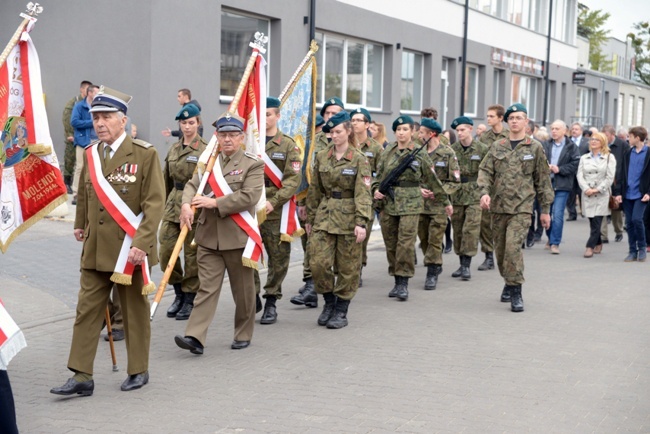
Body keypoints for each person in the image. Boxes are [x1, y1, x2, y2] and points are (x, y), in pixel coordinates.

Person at [51, 86, 165, 396]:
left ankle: (138, 369)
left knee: (134, 314)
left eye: (106, 117)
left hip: (130, 250)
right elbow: (87, 195)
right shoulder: (91, 153)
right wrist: (79, 225)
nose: (100, 123)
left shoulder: (144, 153)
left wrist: (142, 243)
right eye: (96, 117)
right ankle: (81, 375)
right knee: (87, 310)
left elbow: (155, 203)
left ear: (123, 120)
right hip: (97, 248)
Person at [175, 112, 264, 354]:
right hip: (208, 237)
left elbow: (250, 196)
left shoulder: (252, 163)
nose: (227, 140)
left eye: (232, 135)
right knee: (206, 289)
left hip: (237, 237)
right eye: (222, 135)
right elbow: (193, 185)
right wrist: (185, 204)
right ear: (216, 136)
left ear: (241, 137)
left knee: (244, 292)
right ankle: (195, 336)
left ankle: (243, 332)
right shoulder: (209, 161)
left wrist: (215, 203)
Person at [477, 103, 554, 313]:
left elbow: (543, 181)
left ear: (526, 121)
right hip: (499, 207)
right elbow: (485, 171)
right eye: (511, 118)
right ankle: (508, 281)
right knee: (501, 252)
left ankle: (516, 291)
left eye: (519, 117)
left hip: (522, 207)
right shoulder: (497, 146)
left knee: (512, 248)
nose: (514, 121)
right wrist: (484, 192)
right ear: (507, 121)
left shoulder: (535, 147)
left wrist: (545, 210)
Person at [305, 111, 372, 328]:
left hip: (349, 217)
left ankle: (341, 310)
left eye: (338, 132)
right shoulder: (322, 156)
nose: (334, 136)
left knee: (348, 267)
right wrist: (310, 217)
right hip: (324, 214)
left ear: (348, 131)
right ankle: (328, 301)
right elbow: (315, 189)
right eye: (331, 132)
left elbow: (363, 193)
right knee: (318, 264)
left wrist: (361, 222)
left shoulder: (360, 159)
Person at [372, 115, 448, 301]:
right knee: (390, 243)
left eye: (405, 129)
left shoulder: (419, 153)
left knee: (405, 243)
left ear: (412, 132)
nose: (401, 133)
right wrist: (375, 190)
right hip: (389, 203)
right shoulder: (387, 150)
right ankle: (396, 277)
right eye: (398, 130)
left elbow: (432, 180)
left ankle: (403, 282)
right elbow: (378, 175)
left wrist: (445, 202)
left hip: (411, 203)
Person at [293, 97, 344, 305]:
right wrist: (302, 201)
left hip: (340, 204)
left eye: (335, 113)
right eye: (327, 114)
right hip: (315, 200)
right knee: (311, 244)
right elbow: (304, 172)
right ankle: (310, 286)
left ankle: (335, 291)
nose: (330, 117)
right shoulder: (313, 140)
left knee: (336, 251)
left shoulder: (345, 141)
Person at [159, 103, 207, 320]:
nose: (187, 127)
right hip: (173, 205)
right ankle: (178, 290)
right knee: (166, 251)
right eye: (183, 123)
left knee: (191, 255)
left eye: (191, 122)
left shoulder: (205, 150)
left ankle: (189, 297)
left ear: (198, 123)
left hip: (195, 207)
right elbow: (166, 180)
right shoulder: (174, 149)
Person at [257, 97, 302, 325]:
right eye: (261, 114)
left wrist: (273, 202)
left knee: (278, 258)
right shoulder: (249, 142)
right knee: (244, 254)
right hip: (249, 208)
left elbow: (293, 181)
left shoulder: (287, 145)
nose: (264, 118)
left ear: (277, 116)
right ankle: (252, 293)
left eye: (268, 114)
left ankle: (271, 300)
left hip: (275, 211)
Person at [417, 118, 457, 289]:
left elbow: (454, 181)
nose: (418, 135)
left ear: (431, 134)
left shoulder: (447, 153)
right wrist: (419, 189)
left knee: (434, 238)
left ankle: (432, 271)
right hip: (419, 205)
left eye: (421, 132)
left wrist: (439, 191)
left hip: (439, 204)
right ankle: (435, 261)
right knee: (424, 239)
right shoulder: (417, 153)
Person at [449, 116, 488, 280]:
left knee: (470, 230)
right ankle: (460, 262)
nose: (460, 133)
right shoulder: (452, 149)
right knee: (457, 229)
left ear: (470, 129)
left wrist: (486, 192)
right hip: (457, 193)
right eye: (457, 131)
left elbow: (487, 172)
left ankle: (466, 265)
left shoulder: (482, 149)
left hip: (475, 194)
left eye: (462, 130)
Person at [350, 107, 383, 287]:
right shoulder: (346, 145)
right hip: (347, 199)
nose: (354, 123)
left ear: (367, 124)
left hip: (366, 200)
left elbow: (382, 173)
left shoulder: (376, 148)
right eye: (352, 120)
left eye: (358, 120)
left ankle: (358, 268)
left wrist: (376, 193)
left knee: (361, 237)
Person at [477, 104, 508, 269]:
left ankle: (504, 254)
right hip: (489, 184)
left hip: (507, 185)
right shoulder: (485, 138)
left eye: (491, 116)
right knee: (485, 222)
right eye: (487, 116)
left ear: (500, 118)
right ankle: (489, 256)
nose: (488, 119)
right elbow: (482, 163)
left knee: (503, 221)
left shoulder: (510, 136)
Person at [542, 120, 580, 255]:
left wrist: (560, 169)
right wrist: (546, 167)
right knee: (546, 214)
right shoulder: (545, 145)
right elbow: (538, 161)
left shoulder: (571, 146)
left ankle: (555, 243)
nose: (553, 131)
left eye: (557, 129)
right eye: (552, 128)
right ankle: (550, 237)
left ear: (564, 131)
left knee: (557, 215)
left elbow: (575, 164)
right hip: (546, 185)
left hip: (562, 184)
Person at [613, 126, 650, 262]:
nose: (628, 139)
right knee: (629, 223)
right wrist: (618, 192)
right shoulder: (628, 153)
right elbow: (621, 174)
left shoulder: (648, 153)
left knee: (637, 219)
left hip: (641, 194)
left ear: (638, 138)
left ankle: (642, 248)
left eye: (630, 136)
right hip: (627, 194)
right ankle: (632, 251)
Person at [576, 132, 616, 257]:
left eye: (596, 140)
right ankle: (598, 242)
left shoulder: (609, 157)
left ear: (602, 143)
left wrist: (597, 189)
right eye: (592, 139)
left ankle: (589, 246)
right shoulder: (584, 158)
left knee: (597, 220)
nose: (593, 141)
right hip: (587, 193)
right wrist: (586, 188)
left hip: (601, 194)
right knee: (592, 220)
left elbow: (609, 178)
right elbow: (579, 175)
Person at [70, 84, 100, 204]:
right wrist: (92, 122)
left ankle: (95, 192)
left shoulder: (99, 106)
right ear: (90, 93)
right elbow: (74, 122)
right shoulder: (79, 106)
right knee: (80, 167)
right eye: (97, 93)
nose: (99, 95)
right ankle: (76, 193)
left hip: (98, 141)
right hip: (83, 141)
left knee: (97, 168)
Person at [601, 124, 630, 243]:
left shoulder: (623, 145)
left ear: (613, 135)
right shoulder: (600, 144)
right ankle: (603, 235)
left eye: (606, 135)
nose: (604, 137)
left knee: (615, 209)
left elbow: (626, 164)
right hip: (602, 181)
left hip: (616, 180)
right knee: (602, 208)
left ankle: (618, 230)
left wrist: (622, 181)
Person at [62, 80, 92, 194]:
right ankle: (67, 182)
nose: (88, 92)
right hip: (73, 136)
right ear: (82, 89)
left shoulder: (91, 103)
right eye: (86, 89)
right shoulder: (74, 103)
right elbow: (67, 120)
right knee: (70, 159)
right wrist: (70, 135)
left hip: (86, 136)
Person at [566, 121, 591, 220]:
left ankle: (584, 211)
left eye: (576, 129)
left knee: (582, 192)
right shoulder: (567, 141)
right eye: (572, 129)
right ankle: (572, 213)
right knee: (570, 193)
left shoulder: (586, 142)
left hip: (582, 171)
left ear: (581, 131)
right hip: (570, 171)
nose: (574, 131)